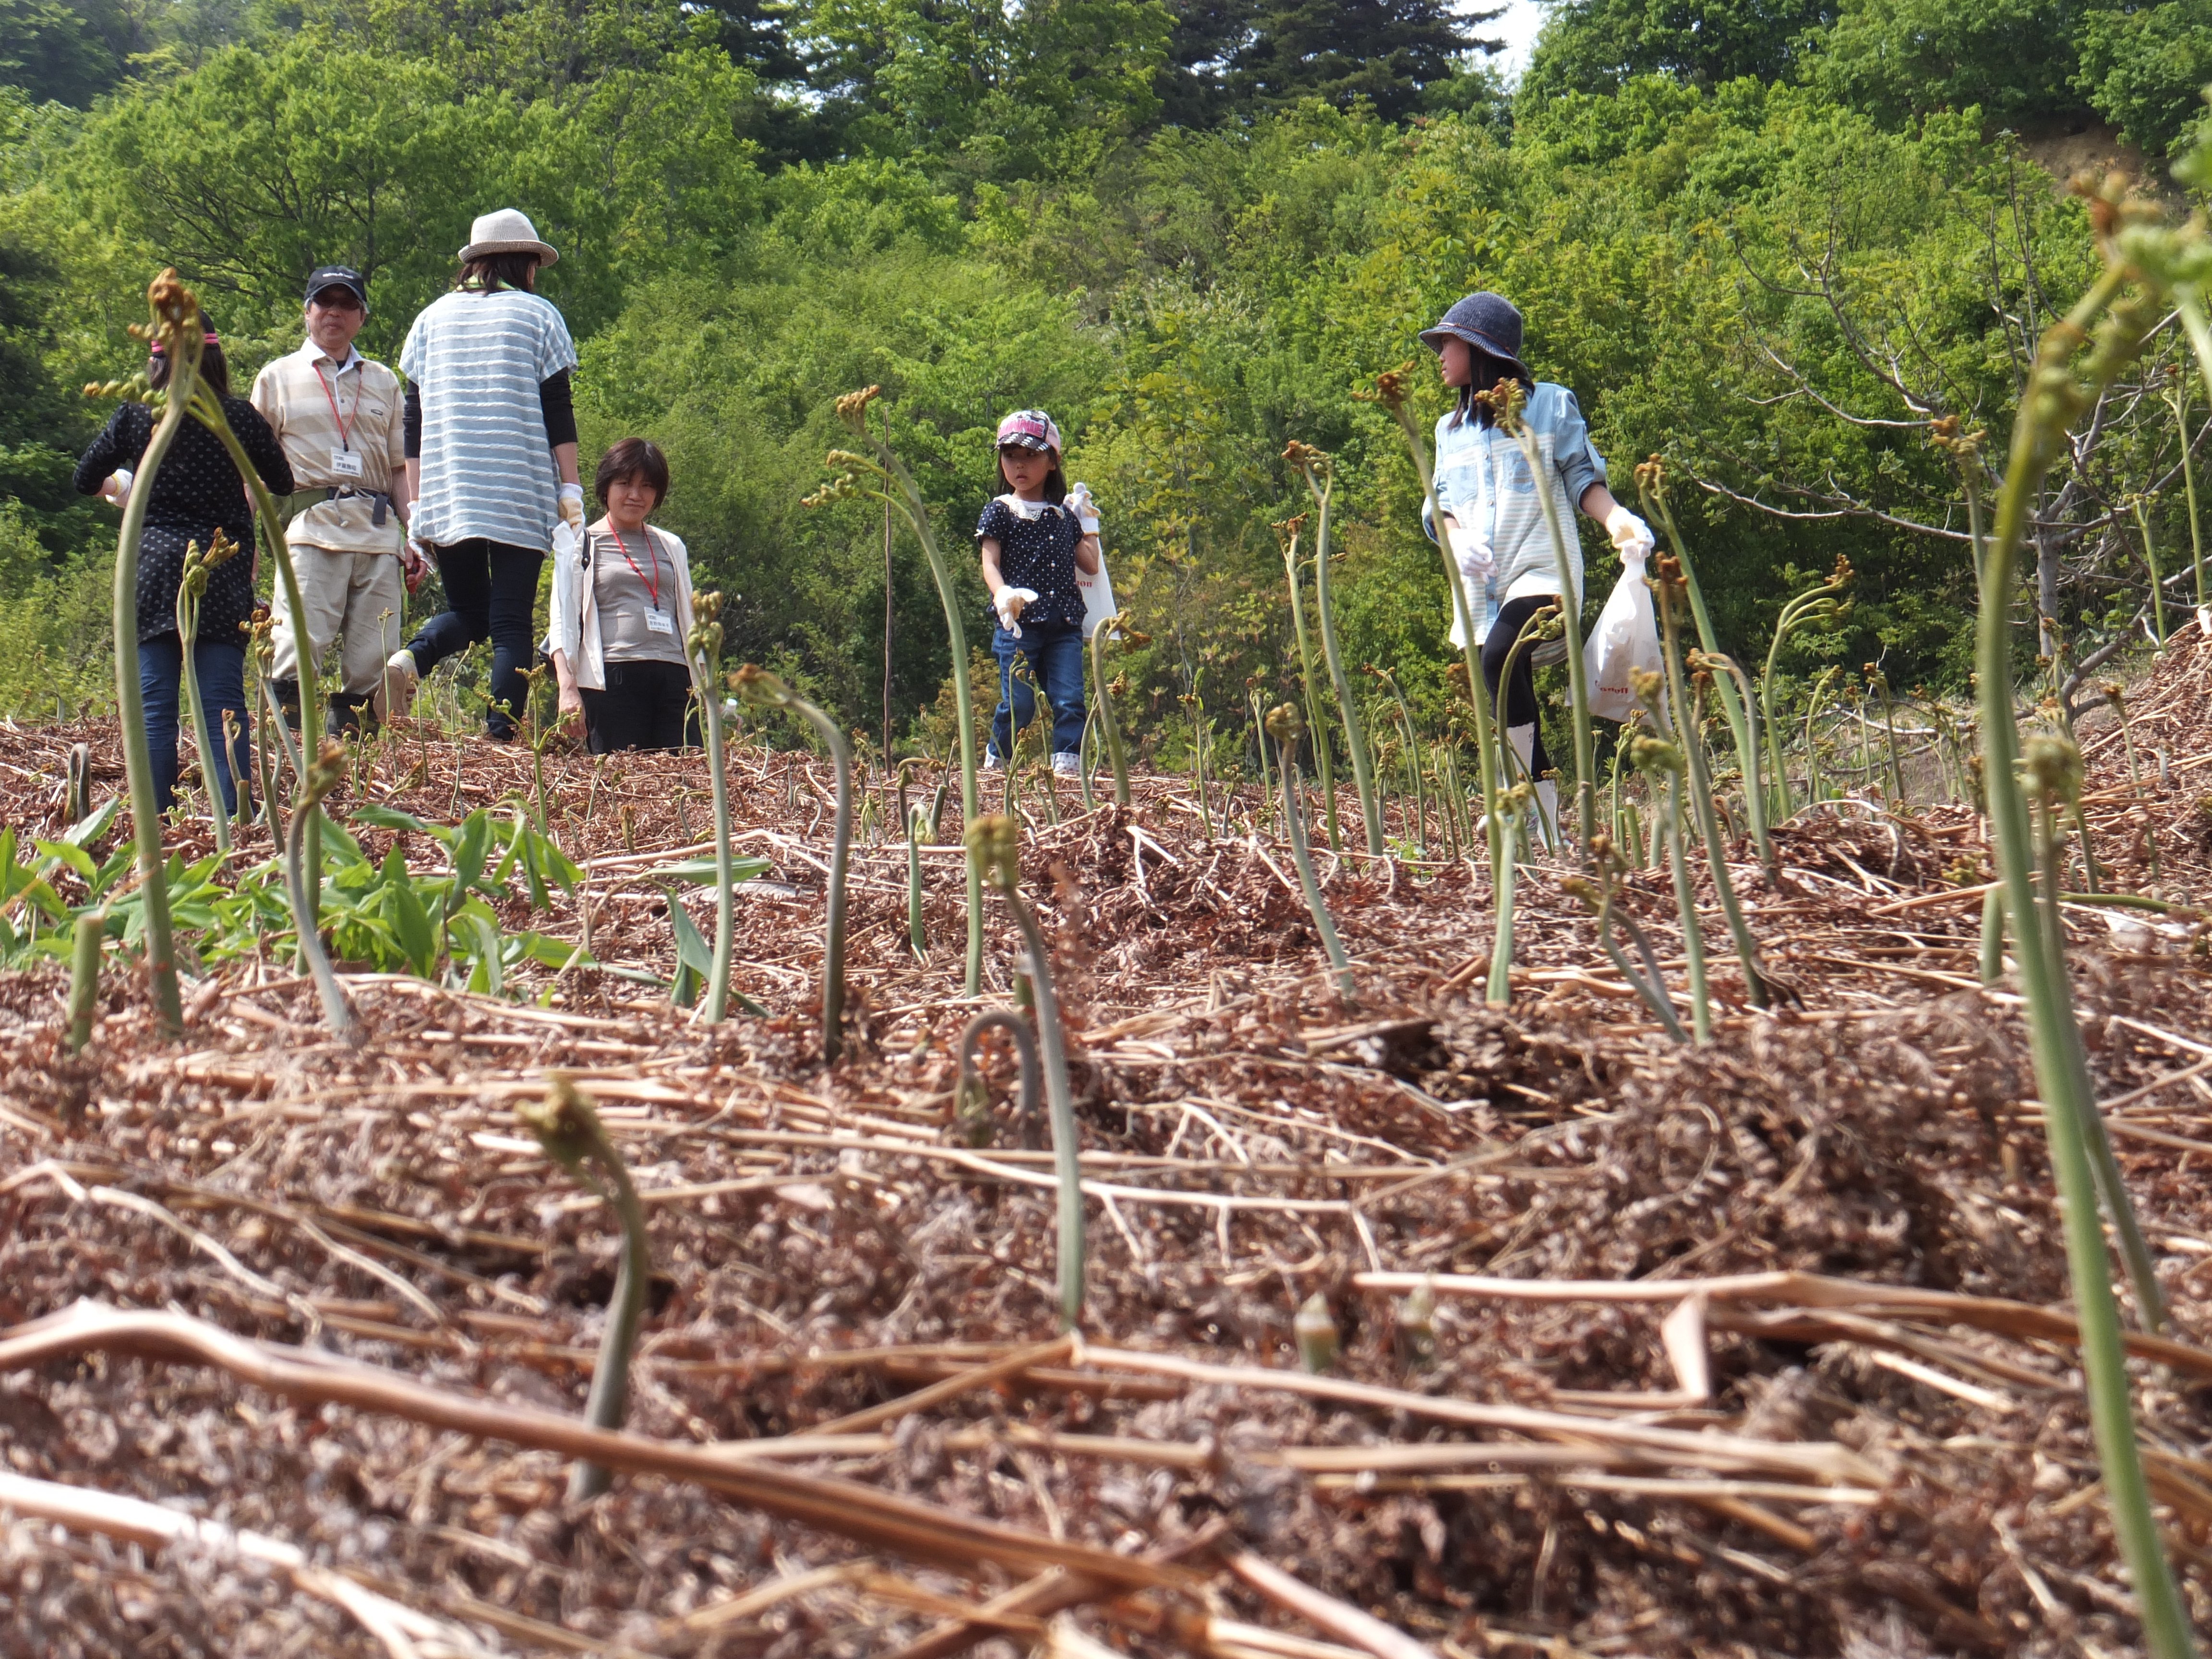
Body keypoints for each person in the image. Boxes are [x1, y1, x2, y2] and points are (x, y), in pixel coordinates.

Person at [1419, 291, 1653, 831]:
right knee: (1505, 680)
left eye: (1447, 342)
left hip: (1543, 573)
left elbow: (1580, 476)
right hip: (1481, 587)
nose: (1440, 354)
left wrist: (1617, 520)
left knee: (1503, 654)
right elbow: (1440, 504)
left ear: (1479, 348)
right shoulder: (1446, 431)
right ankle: (1543, 813)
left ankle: (1525, 801)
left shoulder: (1548, 404)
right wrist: (1453, 539)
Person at [72, 317, 293, 817]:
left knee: (155, 708)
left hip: (151, 566)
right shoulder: (236, 417)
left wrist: (123, 488)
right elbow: (282, 481)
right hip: (220, 564)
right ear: (215, 358)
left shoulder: (134, 417)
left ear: (156, 361)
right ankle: (237, 816)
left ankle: (156, 818)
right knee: (222, 701)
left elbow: (84, 477)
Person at [385, 208, 583, 740]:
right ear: (522, 263)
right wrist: (571, 487)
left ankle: (410, 660)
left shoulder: (429, 320)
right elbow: (557, 409)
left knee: (470, 611)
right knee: (510, 622)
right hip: (519, 490)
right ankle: (499, 734)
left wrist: (419, 505)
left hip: (450, 493)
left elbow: (414, 419)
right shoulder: (539, 316)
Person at [251, 264, 421, 734]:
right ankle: (287, 767)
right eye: (325, 302)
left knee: (373, 663)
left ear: (362, 317)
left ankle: (356, 775)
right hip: (310, 532)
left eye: (348, 304)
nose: (335, 313)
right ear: (307, 311)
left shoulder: (384, 381)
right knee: (295, 650)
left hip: (378, 536)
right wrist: (242, 542)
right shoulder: (276, 378)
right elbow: (250, 473)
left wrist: (416, 537)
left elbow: (397, 471)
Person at [547, 438, 702, 753]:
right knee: (622, 784)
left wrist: (705, 689)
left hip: (675, 679)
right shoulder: (581, 544)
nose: (635, 495)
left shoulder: (672, 546)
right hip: (613, 680)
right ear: (607, 487)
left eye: (646, 486)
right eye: (625, 483)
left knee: (687, 781)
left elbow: (691, 619)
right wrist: (568, 689)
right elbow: (562, 621)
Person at [977, 409, 1100, 775]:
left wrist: (1087, 520)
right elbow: (989, 562)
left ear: (1052, 461)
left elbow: (1090, 564)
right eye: (1010, 455)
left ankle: (1067, 769)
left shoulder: (1063, 516)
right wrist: (1002, 595)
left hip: (1063, 622)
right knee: (1020, 703)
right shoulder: (1001, 510)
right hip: (1019, 623)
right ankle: (998, 762)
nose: (1019, 464)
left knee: (1070, 700)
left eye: (1031, 455)